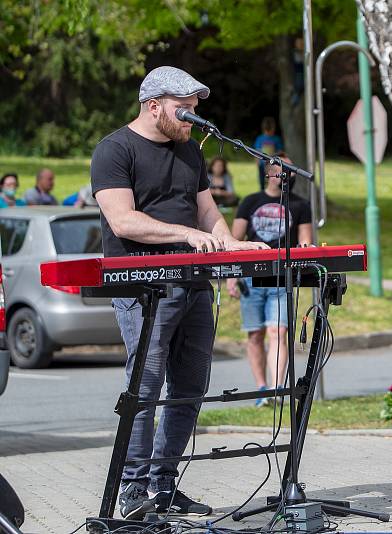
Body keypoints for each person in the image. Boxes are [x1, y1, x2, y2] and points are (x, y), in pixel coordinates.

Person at [90, 66, 268, 520]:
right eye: (183, 108)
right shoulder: (114, 150)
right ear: (153, 106)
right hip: (143, 287)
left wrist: (232, 246)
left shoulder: (190, 150)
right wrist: (186, 235)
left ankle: (164, 485)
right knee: (145, 386)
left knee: (190, 387)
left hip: (193, 284)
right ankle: (131, 488)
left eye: (194, 108)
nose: (192, 117)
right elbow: (123, 221)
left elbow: (208, 214)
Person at [226, 153, 312, 404]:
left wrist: (306, 251)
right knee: (255, 334)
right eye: (280, 169)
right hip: (252, 277)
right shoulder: (250, 202)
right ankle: (261, 388)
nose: (285, 174)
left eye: (290, 170)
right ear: (268, 173)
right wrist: (232, 276)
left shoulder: (300, 205)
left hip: (281, 277)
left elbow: (305, 241)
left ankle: (276, 390)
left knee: (279, 330)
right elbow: (234, 242)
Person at [254, 117, 284, 191]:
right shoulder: (260, 138)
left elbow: (280, 152)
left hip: (273, 166)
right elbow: (257, 152)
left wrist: (274, 155)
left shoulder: (276, 139)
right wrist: (257, 161)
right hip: (262, 165)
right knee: (262, 182)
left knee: (273, 181)